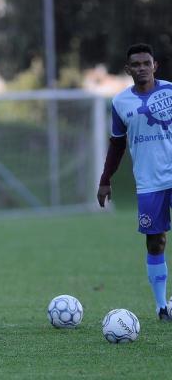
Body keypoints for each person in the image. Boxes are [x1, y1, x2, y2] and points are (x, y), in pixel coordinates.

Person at [97, 43, 172, 321]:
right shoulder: (120, 103)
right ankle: (161, 307)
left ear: (155, 66)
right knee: (156, 243)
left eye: (146, 63)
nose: (141, 68)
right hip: (149, 182)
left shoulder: (170, 91)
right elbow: (116, 145)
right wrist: (105, 179)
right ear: (128, 69)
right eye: (136, 65)